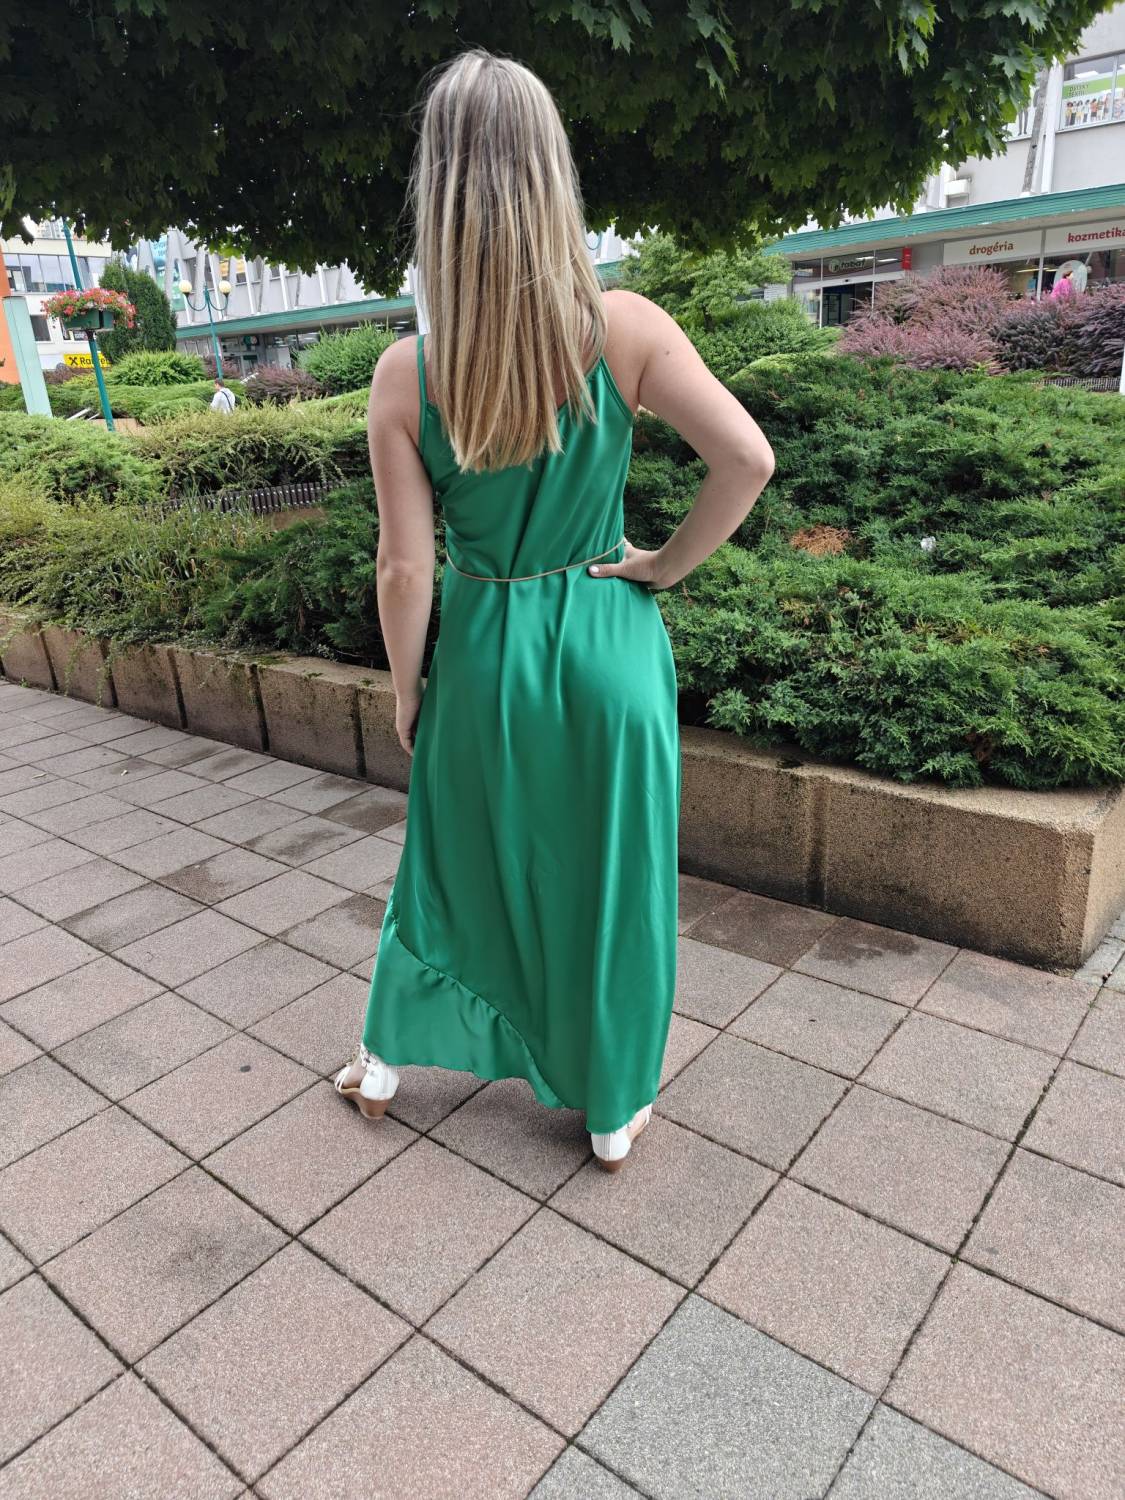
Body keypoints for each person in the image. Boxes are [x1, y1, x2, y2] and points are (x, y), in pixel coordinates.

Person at [333, 49, 775, 1172]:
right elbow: (747, 459)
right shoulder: (624, 327)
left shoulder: (405, 376)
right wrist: (662, 567)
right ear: (551, 175)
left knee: (450, 859)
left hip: (484, 653)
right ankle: (611, 1109)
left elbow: (404, 569)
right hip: (607, 643)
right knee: (612, 880)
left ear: (438, 189)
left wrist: (409, 689)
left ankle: (383, 1062)